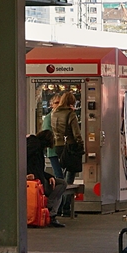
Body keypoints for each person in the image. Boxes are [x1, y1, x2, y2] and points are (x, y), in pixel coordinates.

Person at [48, 91, 82, 219]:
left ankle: (60, 206)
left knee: (60, 176)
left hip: (58, 146)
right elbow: (76, 132)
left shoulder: (54, 113)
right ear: (71, 102)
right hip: (71, 147)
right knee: (70, 175)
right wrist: (81, 145)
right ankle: (66, 206)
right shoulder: (70, 114)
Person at [25, 128, 65, 228]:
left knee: (59, 187)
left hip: (38, 177)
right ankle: (50, 210)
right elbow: (24, 160)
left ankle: (51, 214)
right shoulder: (36, 146)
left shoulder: (34, 145)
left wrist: (50, 177)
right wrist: (26, 174)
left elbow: (37, 169)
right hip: (36, 181)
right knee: (61, 185)